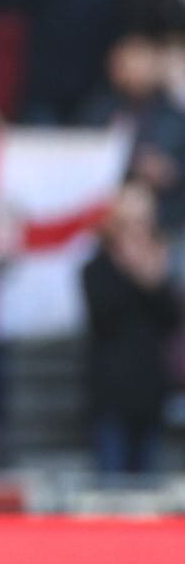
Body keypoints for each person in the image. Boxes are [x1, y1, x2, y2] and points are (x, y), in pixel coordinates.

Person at [82, 183, 180, 473]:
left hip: (149, 393)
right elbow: (104, 318)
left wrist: (153, 280)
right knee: (111, 491)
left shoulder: (159, 269)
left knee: (149, 492)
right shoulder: (96, 268)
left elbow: (171, 321)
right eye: (130, 222)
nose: (138, 231)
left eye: (144, 222)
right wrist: (130, 270)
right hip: (110, 395)